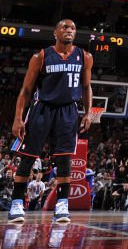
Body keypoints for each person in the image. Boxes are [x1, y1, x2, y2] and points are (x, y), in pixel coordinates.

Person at [8, 19, 93, 224]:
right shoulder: (41, 56)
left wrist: (89, 112)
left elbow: (86, 87)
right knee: (28, 157)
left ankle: (62, 205)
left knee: (64, 159)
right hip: (42, 109)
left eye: (73, 28)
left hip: (68, 111)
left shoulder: (85, 57)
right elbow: (27, 90)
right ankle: (17, 203)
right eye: (65, 27)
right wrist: (19, 118)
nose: (69, 31)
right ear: (55, 32)